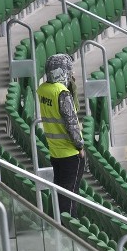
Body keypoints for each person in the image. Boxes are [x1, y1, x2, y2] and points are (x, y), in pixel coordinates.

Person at [37, 53, 85, 218]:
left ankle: (59, 225)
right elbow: (71, 122)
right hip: (70, 153)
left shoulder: (43, 90)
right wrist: (80, 146)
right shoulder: (62, 93)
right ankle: (69, 231)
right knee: (70, 197)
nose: (71, 75)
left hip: (55, 152)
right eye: (69, 71)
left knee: (60, 192)